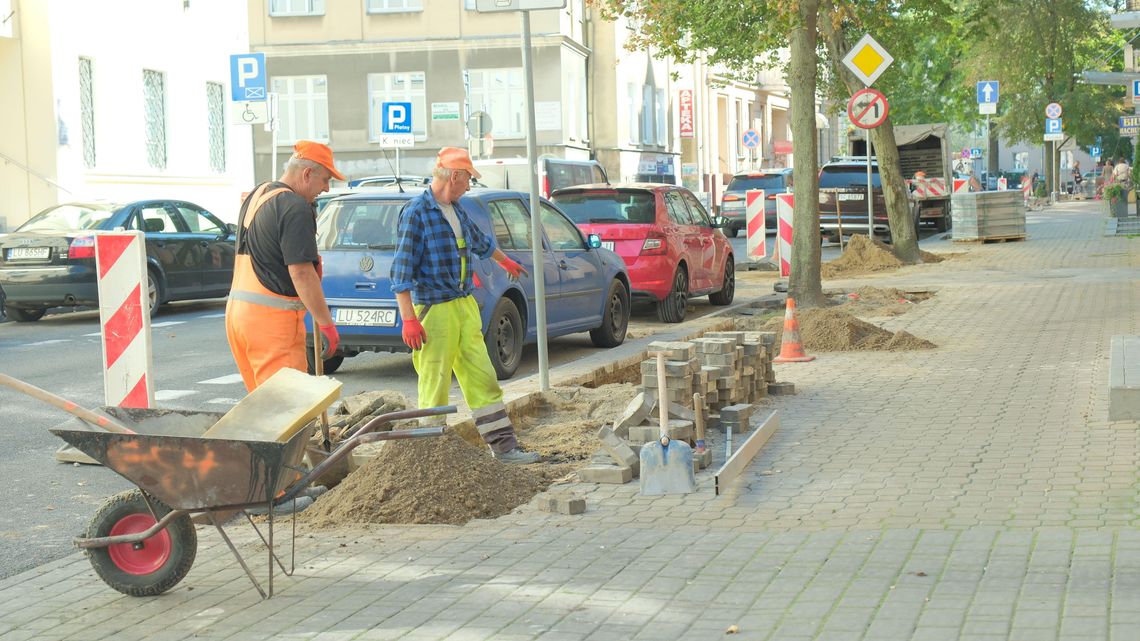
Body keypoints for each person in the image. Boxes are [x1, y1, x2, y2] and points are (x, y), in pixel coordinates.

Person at [390, 147, 540, 464]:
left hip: (463, 305)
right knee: (434, 383)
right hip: (434, 311)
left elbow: (482, 243)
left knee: (482, 376)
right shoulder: (416, 213)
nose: (470, 186)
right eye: (469, 179)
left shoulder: (456, 210)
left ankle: (504, 448)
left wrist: (506, 262)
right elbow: (401, 273)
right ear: (455, 176)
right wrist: (409, 320)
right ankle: (431, 458)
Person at [225, 140, 341, 392]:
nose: (326, 188)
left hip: (239, 317)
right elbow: (301, 272)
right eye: (324, 179)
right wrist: (326, 323)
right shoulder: (295, 206)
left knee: (262, 406)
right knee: (286, 411)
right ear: (307, 173)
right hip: (272, 324)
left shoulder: (259, 194)